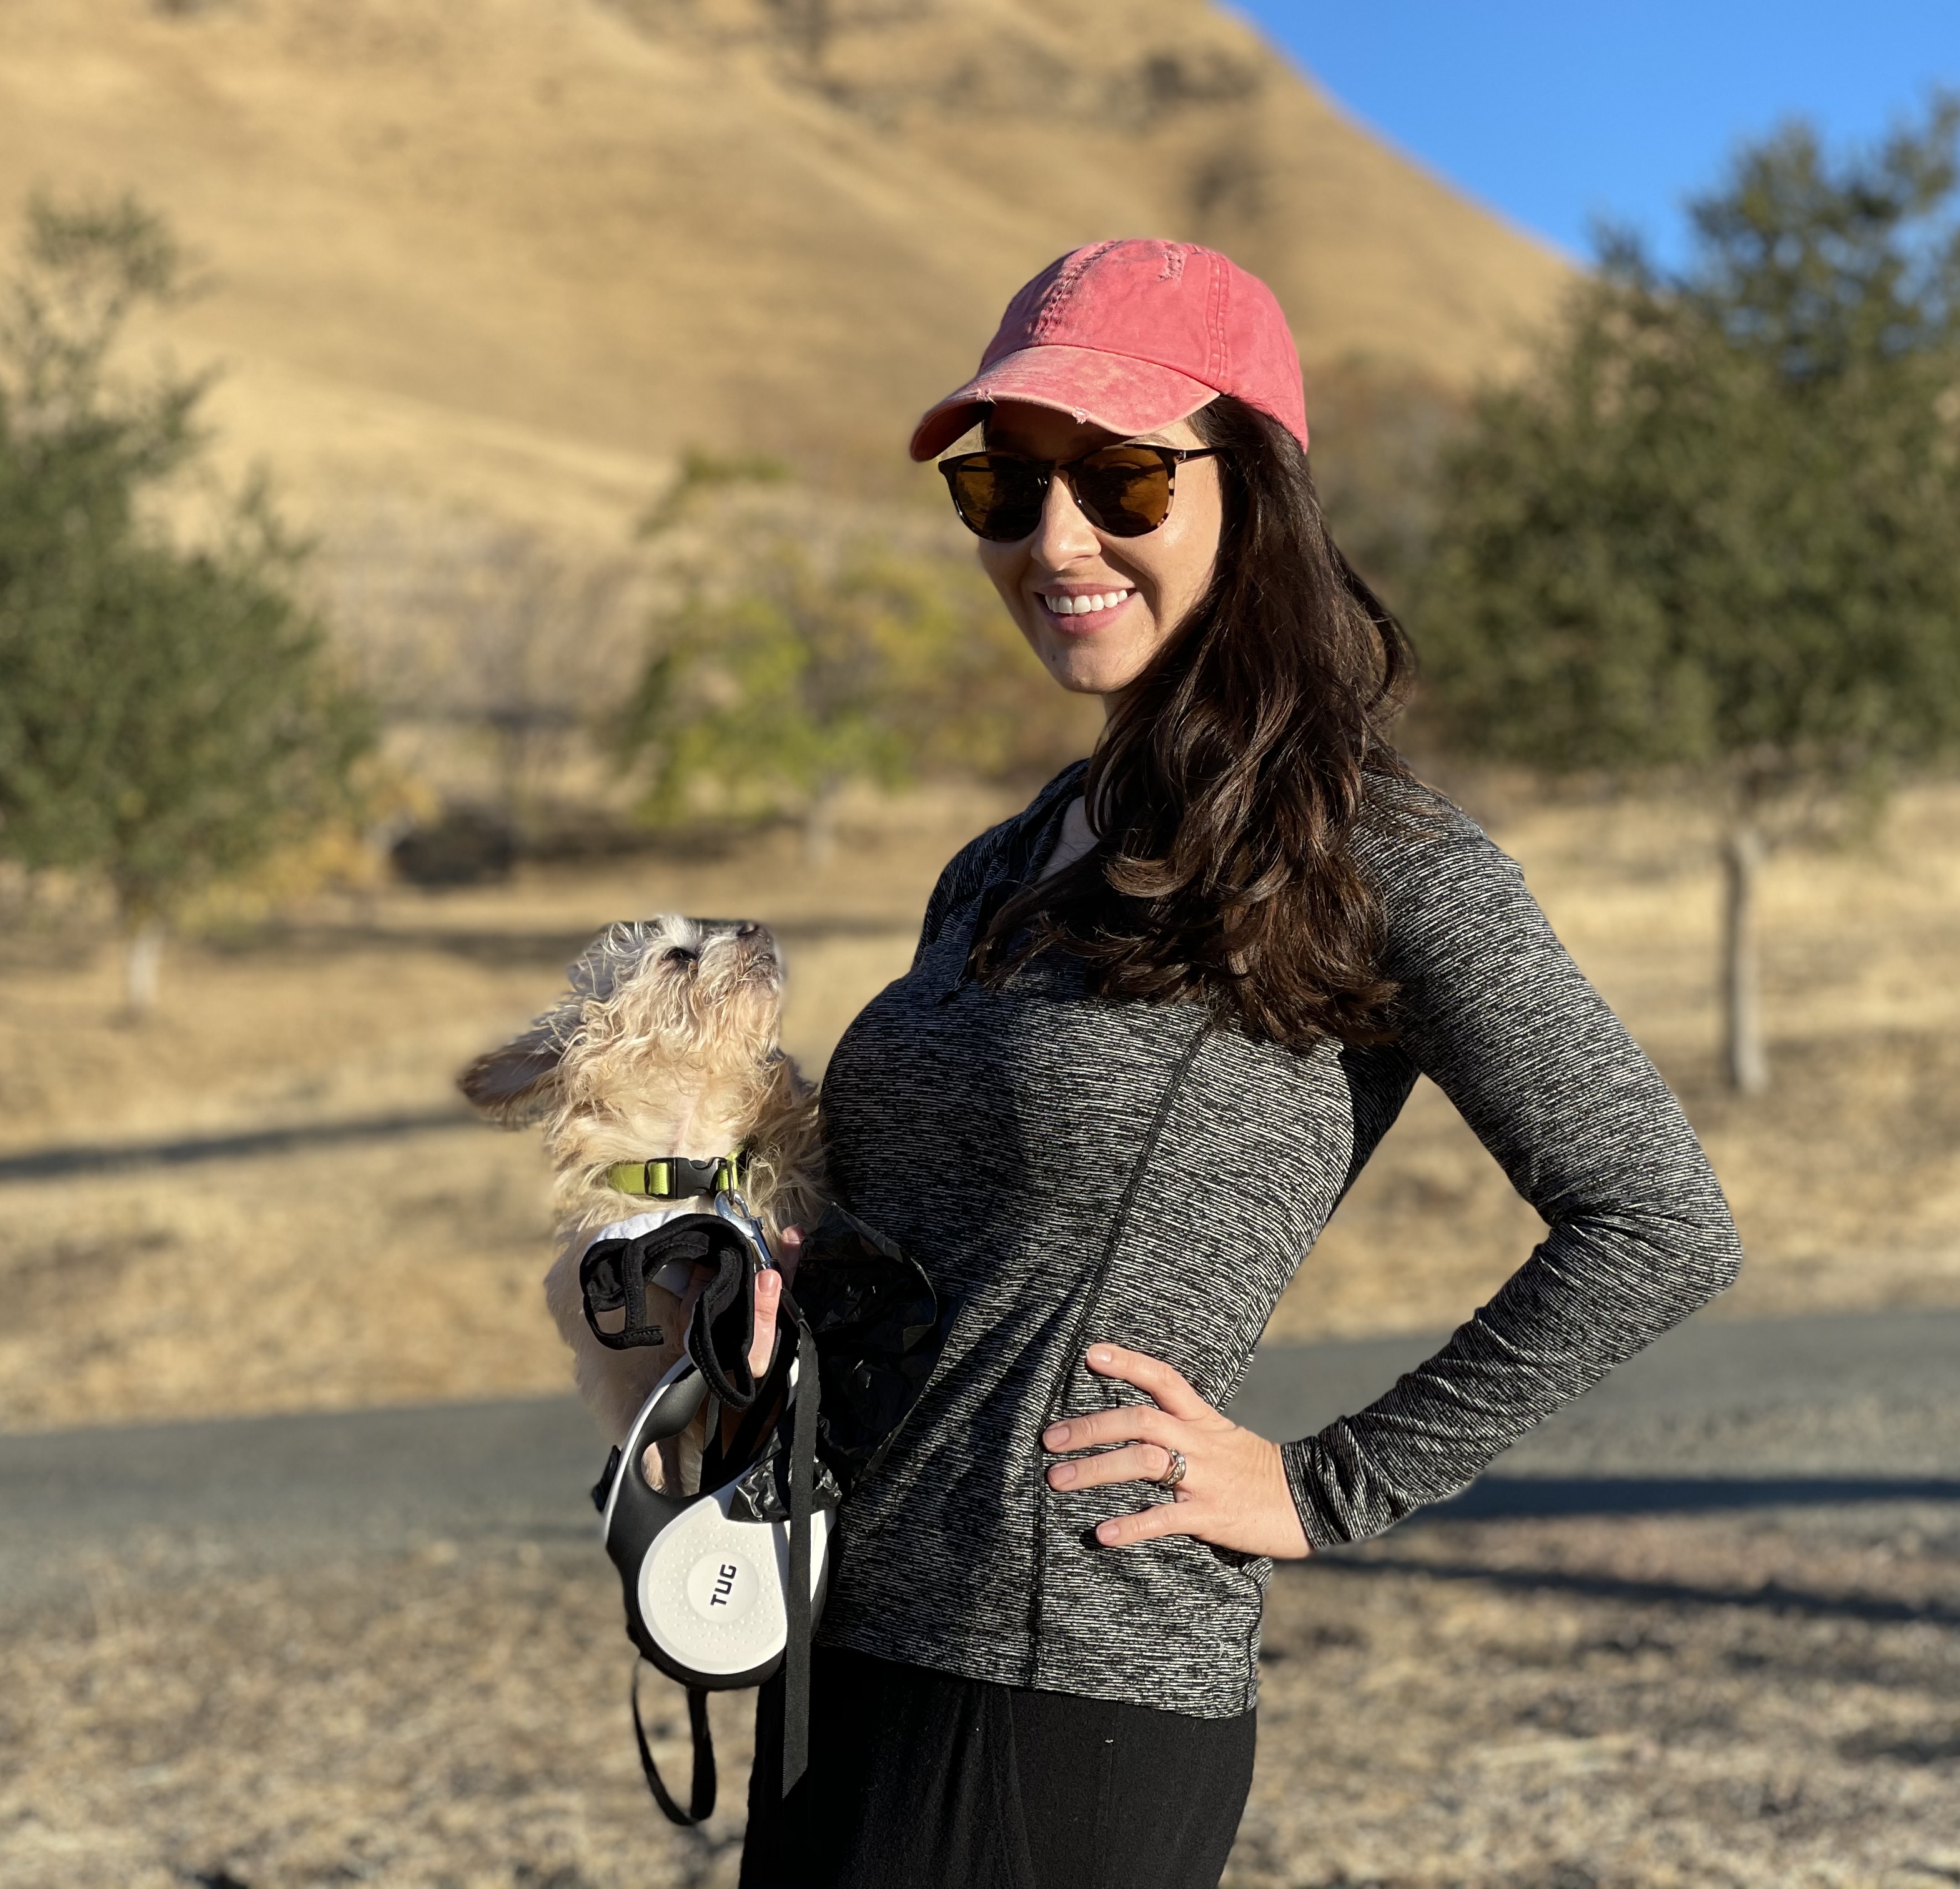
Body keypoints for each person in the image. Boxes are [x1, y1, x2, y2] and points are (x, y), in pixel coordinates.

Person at [742, 239, 1745, 1889]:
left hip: (1066, 1689)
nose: (1055, 539)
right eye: (1004, 486)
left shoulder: (1380, 860)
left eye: (1122, 479)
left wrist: (1327, 1488)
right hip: (836, 1641)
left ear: (1255, 495)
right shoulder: (999, 863)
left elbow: (1657, 1220)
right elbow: (947, 1249)